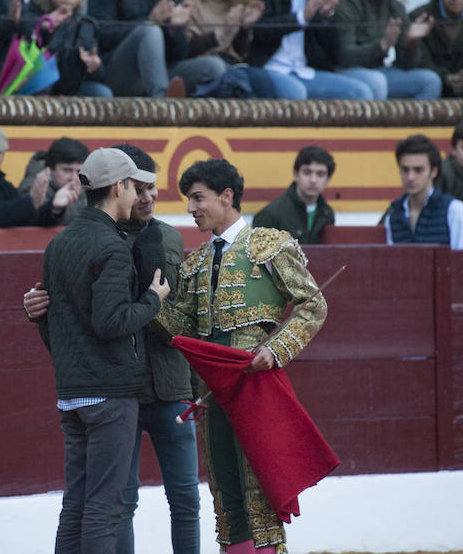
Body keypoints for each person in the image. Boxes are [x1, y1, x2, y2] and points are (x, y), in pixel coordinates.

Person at [25, 144, 201, 554]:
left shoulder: (67, 242)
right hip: (118, 389)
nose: (146, 196)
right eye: (137, 187)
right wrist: (153, 301)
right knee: (111, 505)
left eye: (152, 187)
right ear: (121, 187)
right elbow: (107, 320)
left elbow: (64, 321)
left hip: (140, 385)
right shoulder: (110, 244)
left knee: (94, 503)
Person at [154, 158, 328, 553]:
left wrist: (277, 349)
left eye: (198, 198)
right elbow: (185, 331)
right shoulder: (195, 262)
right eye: (188, 199)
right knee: (226, 494)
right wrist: (152, 305)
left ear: (226, 196)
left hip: (255, 384)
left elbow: (313, 305)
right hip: (212, 392)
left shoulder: (269, 245)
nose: (190, 208)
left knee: (260, 488)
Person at [87, 0, 227, 98]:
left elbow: (179, 55)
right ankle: (162, 104)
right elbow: (101, 34)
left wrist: (174, 29)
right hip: (118, 74)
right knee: (150, 30)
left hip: (158, 72)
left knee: (214, 66)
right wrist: (149, 20)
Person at [249, 0, 378, 99]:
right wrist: (302, 17)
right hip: (268, 67)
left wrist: (326, 16)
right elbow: (257, 30)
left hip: (306, 69)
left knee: (363, 91)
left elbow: (332, 51)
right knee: (296, 92)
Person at [334, 0, 443, 100]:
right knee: (377, 81)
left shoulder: (396, 7)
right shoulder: (349, 2)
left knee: (431, 81)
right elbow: (345, 57)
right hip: (348, 73)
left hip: (381, 73)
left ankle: (408, 123)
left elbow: (406, 65)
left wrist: (411, 42)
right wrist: (382, 45)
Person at [20, 0, 112, 97]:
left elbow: (99, 74)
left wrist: (94, 65)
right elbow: (24, 36)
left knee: (102, 93)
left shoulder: (86, 25)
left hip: (72, 87)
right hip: (37, 84)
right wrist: (45, 25)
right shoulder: (32, 14)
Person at [384, 133, 463, 249]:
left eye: (418, 170)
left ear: (433, 172)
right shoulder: (394, 216)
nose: (410, 177)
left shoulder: (456, 212)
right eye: (405, 170)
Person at [253, 145, 335, 243]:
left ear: (328, 179)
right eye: (307, 172)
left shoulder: (327, 213)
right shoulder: (270, 214)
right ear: (296, 175)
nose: (313, 180)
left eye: (320, 174)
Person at [19, 136, 89, 225]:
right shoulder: (32, 187)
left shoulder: (88, 184)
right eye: (67, 170)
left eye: (79, 171)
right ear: (50, 170)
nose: (74, 178)